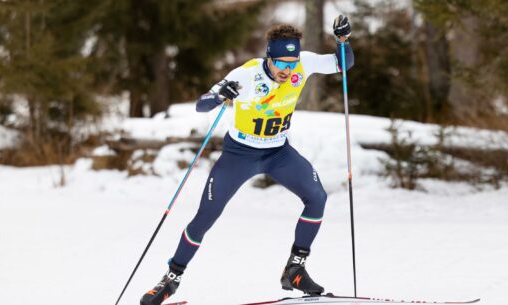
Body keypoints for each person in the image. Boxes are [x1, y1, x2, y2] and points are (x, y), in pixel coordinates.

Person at [140, 15, 354, 305]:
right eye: (281, 63)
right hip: (239, 154)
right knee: (206, 216)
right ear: (269, 57)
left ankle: (295, 268)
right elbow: (202, 104)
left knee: (317, 197)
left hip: (278, 152)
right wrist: (219, 96)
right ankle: (170, 279)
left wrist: (342, 41)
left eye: (291, 64)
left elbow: (343, 64)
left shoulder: (304, 63)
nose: (287, 70)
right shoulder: (246, 74)